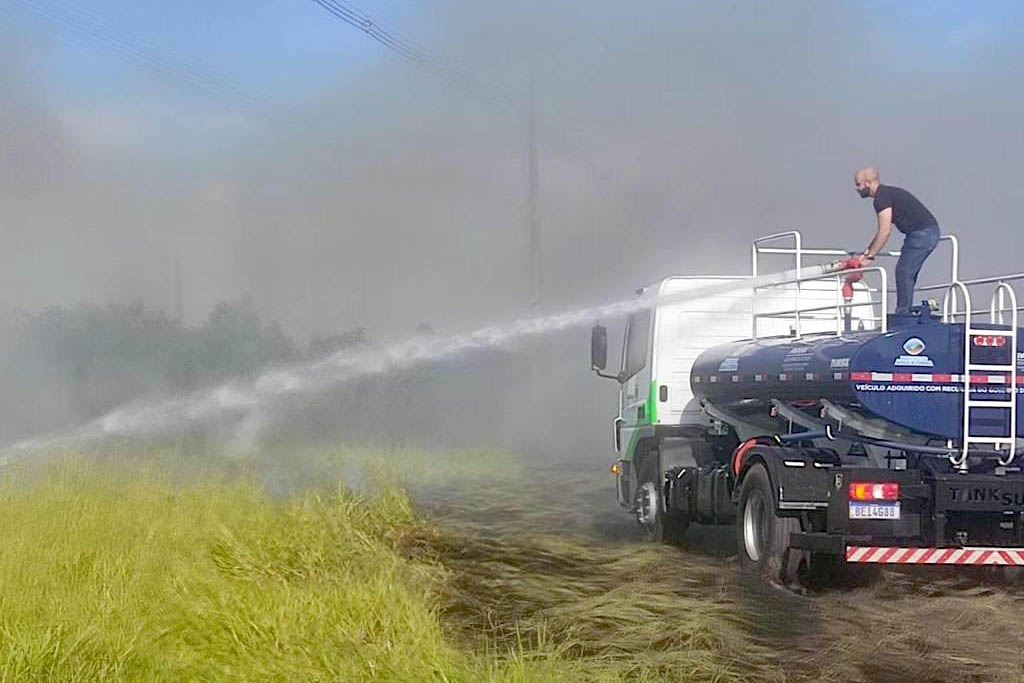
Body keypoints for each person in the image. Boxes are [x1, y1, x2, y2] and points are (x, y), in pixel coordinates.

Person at [853, 167, 941, 315]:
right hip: (924, 233)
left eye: (858, 184)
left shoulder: (882, 198)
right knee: (908, 271)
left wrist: (870, 257)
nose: (857, 189)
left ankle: (903, 314)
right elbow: (881, 233)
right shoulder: (887, 194)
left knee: (904, 270)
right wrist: (867, 251)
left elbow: (884, 231)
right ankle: (905, 310)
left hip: (922, 234)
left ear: (868, 183)